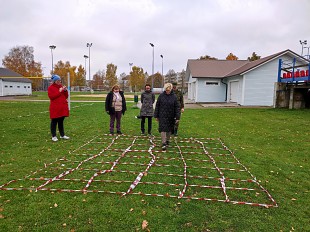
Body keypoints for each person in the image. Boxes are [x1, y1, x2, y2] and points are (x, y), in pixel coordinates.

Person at [154, 83, 180, 150]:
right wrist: (156, 115)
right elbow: (157, 106)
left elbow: (177, 107)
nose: (167, 91)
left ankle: (167, 140)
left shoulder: (174, 97)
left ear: (171, 89)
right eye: (166, 90)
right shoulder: (161, 96)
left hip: (171, 116)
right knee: (163, 129)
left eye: (169, 90)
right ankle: (163, 143)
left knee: (169, 129)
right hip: (162, 115)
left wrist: (177, 117)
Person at [48, 74, 70, 142]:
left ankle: (62, 135)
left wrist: (65, 91)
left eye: (60, 80)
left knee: (61, 122)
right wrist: (59, 91)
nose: (59, 82)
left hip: (62, 107)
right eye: (58, 80)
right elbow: (51, 97)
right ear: (54, 81)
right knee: (54, 122)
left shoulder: (61, 86)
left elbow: (66, 96)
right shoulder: (51, 88)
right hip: (55, 108)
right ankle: (53, 136)